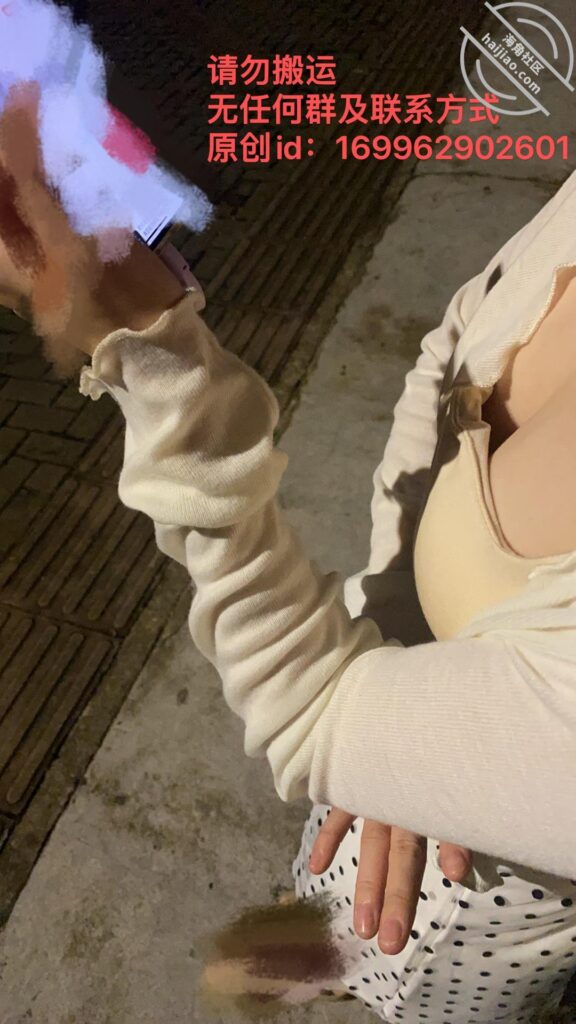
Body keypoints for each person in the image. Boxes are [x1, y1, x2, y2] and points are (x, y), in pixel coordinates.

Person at [2, 82, 576, 1024]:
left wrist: (154, 358)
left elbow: (309, 711)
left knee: (422, 985)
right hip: (380, 768)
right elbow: (458, 342)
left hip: (487, 926)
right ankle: (325, 945)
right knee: (331, 872)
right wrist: (404, 719)